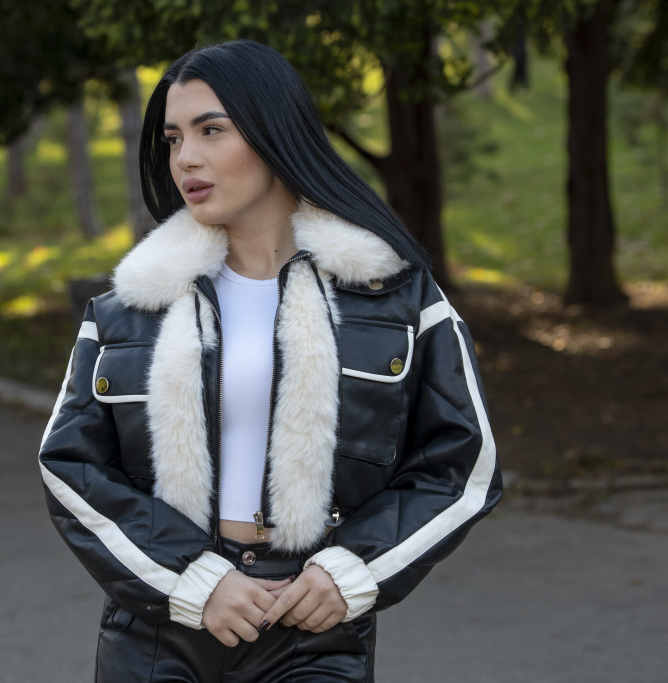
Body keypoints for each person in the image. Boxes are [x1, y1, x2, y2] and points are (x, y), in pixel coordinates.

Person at [39, 39, 501, 682]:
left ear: (275, 132)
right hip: (160, 630)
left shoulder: (395, 296)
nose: (186, 157)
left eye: (211, 130)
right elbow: (70, 465)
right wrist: (190, 578)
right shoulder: (131, 306)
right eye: (173, 138)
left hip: (314, 629)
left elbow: (461, 464)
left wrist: (352, 570)